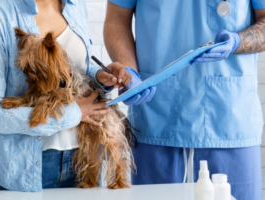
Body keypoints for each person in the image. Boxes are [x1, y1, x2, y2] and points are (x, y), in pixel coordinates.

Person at [0, 0, 155, 192]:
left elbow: (74, 68)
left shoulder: (75, 6)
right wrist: (73, 114)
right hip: (24, 170)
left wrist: (99, 75)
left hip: (83, 160)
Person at [104, 1, 265, 200]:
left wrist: (237, 42)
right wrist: (129, 71)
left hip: (229, 120)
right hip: (157, 119)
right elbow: (117, 18)